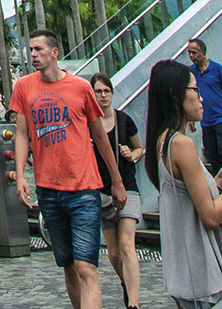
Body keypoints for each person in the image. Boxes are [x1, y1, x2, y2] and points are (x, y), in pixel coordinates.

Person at [12, 28, 127, 309]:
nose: (33, 55)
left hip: (84, 189)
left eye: (38, 50)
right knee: (68, 266)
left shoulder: (80, 87)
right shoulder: (24, 87)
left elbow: (99, 136)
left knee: (86, 267)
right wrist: (21, 176)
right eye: (31, 50)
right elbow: (22, 134)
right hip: (49, 190)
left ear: (54, 53)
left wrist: (116, 180)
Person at [144, 59, 222, 309]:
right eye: (195, 90)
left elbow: (188, 197)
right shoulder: (181, 144)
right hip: (202, 275)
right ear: (176, 96)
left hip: (185, 275)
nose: (201, 97)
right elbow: (211, 216)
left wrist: (217, 182)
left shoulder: (162, 140)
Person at [89, 75, 141, 309]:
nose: (103, 95)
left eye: (106, 91)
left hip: (128, 186)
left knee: (127, 242)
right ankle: (125, 282)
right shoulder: (88, 124)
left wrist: (133, 154)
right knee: (113, 251)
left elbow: (139, 147)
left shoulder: (124, 120)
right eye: (98, 91)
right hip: (101, 189)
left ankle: (134, 303)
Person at [181, 39, 222, 174]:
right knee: (211, 153)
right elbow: (191, 95)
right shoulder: (192, 73)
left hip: (221, 118)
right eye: (189, 53)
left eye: (194, 53)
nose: (191, 56)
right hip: (206, 121)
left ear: (203, 52)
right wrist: (191, 119)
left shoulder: (217, 69)